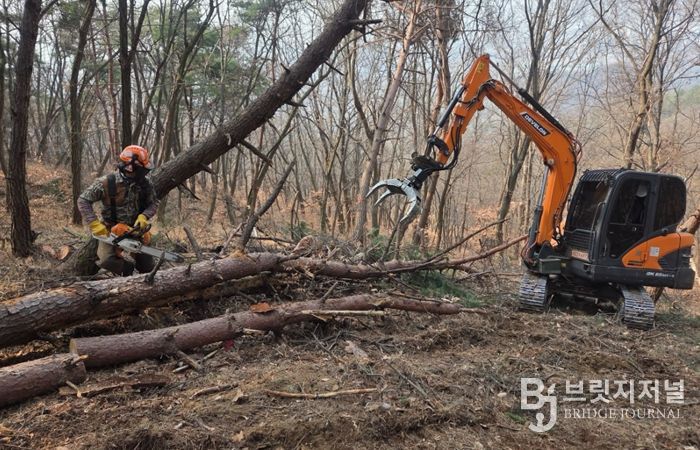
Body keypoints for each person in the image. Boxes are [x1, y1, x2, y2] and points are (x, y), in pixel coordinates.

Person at [77, 145, 159, 276]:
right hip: (112, 231)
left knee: (147, 266)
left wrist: (144, 216)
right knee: (106, 260)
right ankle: (127, 273)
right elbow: (83, 200)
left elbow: (153, 203)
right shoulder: (106, 182)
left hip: (136, 229)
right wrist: (94, 224)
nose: (143, 171)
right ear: (130, 167)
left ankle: (145, 277)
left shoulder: (145, 184)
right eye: (140, 168)